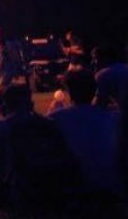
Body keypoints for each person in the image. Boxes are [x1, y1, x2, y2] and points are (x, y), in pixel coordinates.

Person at [0, 84, 79, 213]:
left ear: (5, 105)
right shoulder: (48, 124)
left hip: (22, 193)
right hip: (53, 190)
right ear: (30, 103)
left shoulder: (3, 126)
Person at [48, 68, 122, 209]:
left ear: (69, 91)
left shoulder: (57, 118)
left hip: (75, 188)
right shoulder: (112, 117)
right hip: (111, 185)